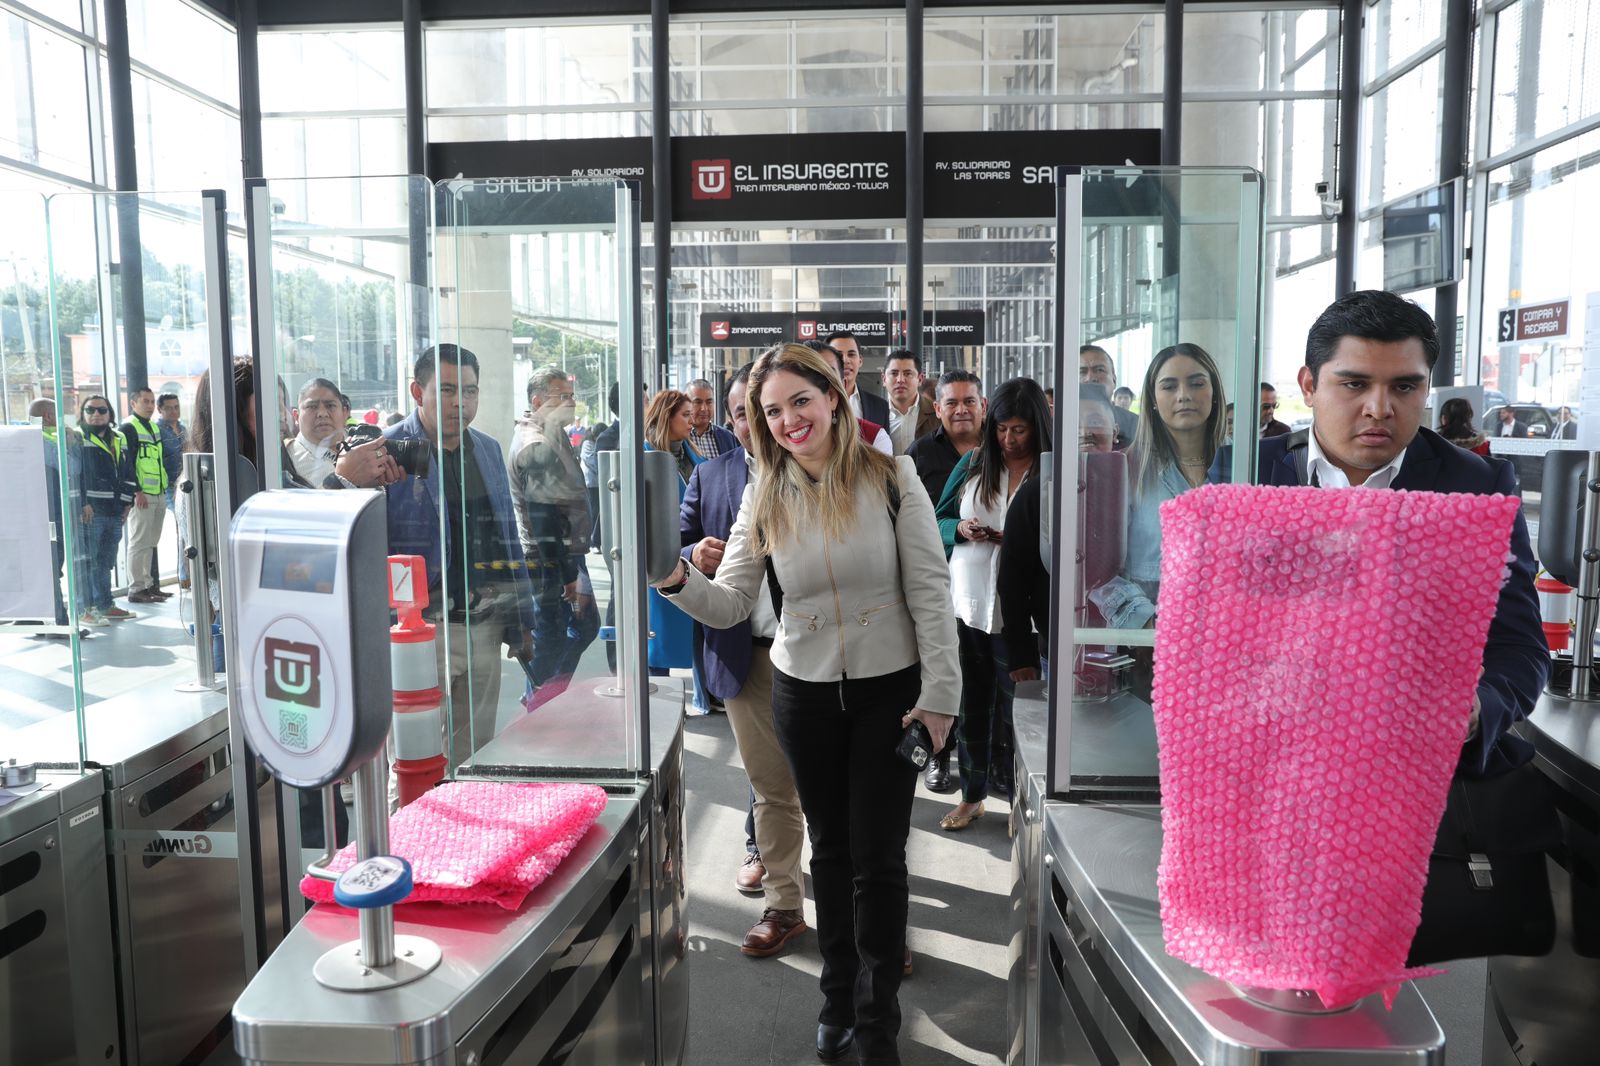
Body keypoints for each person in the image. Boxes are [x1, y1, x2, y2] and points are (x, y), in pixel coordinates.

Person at [655, 342, 958, 1065]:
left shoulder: (893, 477)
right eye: (771, 411)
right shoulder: (763, 492)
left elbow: (930, 589)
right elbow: (731, 603)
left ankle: (878, 1020)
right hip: (802, 692)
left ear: (832, 398)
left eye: (800, 400)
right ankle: (837, 997)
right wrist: (671, 577)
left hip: (890, 690)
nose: (789, 419)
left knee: (879, 858)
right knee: (831, 849)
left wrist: (941, 695)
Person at [1253, 290, 1546, 779]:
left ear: (1426, 390)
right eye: (1354, 384)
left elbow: (1518, 647)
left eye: (1405, 387)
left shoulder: (1476, 488)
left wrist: (1474, 711)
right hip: (1267, 766)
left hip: (1416, 774)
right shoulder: (1247, 472)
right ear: (1308, 385)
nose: (1379, 408)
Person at [679, 363, 809, 957]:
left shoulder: (823, 472)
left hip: (822, 658)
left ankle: (865, 911)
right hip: (746, 654)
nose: (758, 424)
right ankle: (784, 904)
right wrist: (689, 556)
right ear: (731, 422)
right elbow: (677, 540)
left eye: (769, 411)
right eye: (745, 414)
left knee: (836, 788)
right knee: (770, 787)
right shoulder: (712, 475)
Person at [385, 344, 537, 771]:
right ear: (418, 392)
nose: (460, 402)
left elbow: (507, 536)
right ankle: (412, 818)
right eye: (448, 390)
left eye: (469, 391)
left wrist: (522, 618)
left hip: (483, 624)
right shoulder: (389, 451)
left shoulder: (487, 449)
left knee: (474, 754)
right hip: (420, 630)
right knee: (415, 758)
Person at [934, 378, 1052, 827]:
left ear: (1037, 426)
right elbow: (937, 519)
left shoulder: (1051, 474)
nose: (1009, 439)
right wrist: (962, 530)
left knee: (1022, 716)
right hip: (967, 606)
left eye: (1019, 430)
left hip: (1020, 619)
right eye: (1001, 429)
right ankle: (972, 795)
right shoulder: (974, 463)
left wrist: (1019, 540)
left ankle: (1024, 803)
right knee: (971, 707)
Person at [1090, 343, 1228, 630]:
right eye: (1169, 386)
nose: (1184, 395)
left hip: (1228, 636)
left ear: (1214, 392)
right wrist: (1145, 622)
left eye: (1197, 383)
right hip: (1150, 643)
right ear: (1153, 398)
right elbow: (1097, 570)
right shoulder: (1126, 470)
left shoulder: (1244, 464)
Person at [998, 384, 1119, 684]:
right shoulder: (1037, 493)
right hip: (1058, 647)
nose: (1086, 432)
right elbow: (1013, 579)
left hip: (1128, 644)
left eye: (1095, 422)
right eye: (1076, 423)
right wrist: (1020, 654)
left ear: (1114, 430)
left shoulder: (1130, 485)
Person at [509, 366, 598, 708]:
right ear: (537, 402)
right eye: (563, 397)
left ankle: (541, 697)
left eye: (571, 396)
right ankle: (539, 701)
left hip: (562, 556)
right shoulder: (536, 444)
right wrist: (566, 575)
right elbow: (543, 518)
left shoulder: (551, 433)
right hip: (550, 560)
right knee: (555, 636)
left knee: (574, 629)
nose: (571, 403)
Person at [643, 389, 706, 687]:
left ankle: (703, 697)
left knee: (694, 632)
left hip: (694, 557)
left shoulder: (694, 456)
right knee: (660, 642)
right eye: (685, 415)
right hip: (660, 559)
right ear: (666, 416)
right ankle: (653, 697)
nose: (692, 421)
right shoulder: (645, 458)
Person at [77, 394, 136, 626]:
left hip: (115, 510)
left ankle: (105, 605)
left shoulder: (119, 437)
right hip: (92, 512)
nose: (96, 414)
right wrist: (83, 502)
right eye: (90, 410)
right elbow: (75, 474)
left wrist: (127, 503)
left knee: (106, 562)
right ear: (83, 413)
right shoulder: (78, 437)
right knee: (87, 562)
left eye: (102, 410)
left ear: (110, 413)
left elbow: (128, 470)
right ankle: (85, 609)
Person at [120, 387, 170, 604]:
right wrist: (137, 491)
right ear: (133, 403)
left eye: (151, 402)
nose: (150, 406)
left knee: (150, 542)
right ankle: (136, 588)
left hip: (158, 491)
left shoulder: (153, 427)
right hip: (142, 495)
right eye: (145, 401)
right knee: (138, 542)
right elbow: (127, 463)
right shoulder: (128, 427)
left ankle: (149, 586)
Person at [906, 369, 984, 506]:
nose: (961, 410)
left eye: (969, 401)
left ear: (983, 406)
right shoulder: (920, 453)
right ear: (937, 409)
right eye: (951, 403)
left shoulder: (1003, 445)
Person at [30, 398, 75, 631]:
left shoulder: (25, 438)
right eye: (59, 414)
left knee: (45, 567)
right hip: (50, 513)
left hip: (36, 513)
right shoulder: (46, 440)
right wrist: (68, 443)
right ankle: (59, 620)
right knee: (52, 566)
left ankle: (35, 616)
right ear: (48, 416)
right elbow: (71, 468)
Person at [808, 340, 894, 455]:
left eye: (827, 375)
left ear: (842, 384)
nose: (846, 360)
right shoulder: (785, 435)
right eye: (806, 375)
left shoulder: (875, 439)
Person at [286, 378, 347, 487]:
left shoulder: (360, 445)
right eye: (312, 407)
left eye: (330, 406)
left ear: (344, 413)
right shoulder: (286, 459)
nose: (322, 413)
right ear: (296, 416)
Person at [827, 329, 890, 427]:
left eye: (851, 354)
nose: (845, 360)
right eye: (838, 355)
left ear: (860, 361)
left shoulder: (880, 407)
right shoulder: (815, 403)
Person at [156, 392, 187, 590]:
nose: (174, 411)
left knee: (187, 527)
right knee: (183, 526)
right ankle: (184, 575)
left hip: (186, 483)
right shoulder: (157, 430)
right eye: (168, 408)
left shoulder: (183, 429)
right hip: (169, 486)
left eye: (176, 407)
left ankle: (187, 573)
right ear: (160, 409)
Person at [1080, 344, 1138, 450]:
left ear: (1114, 380)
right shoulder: (1059, 424)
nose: (1090, 378)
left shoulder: (1136, 425)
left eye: (1099, 370)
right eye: (1082, 372)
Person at [883, 348, 938, 455]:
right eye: (894, 373)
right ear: (884, 379)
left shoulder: (937, 414)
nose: (900, 380)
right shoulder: (874, 415)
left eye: (908, 374)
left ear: (920, 379)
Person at [686, 377, 738, 459]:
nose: (704, 408)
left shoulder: (727, 437)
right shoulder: (679, 438)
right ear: (686, 404)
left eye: (709, 402)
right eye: (698, 402)